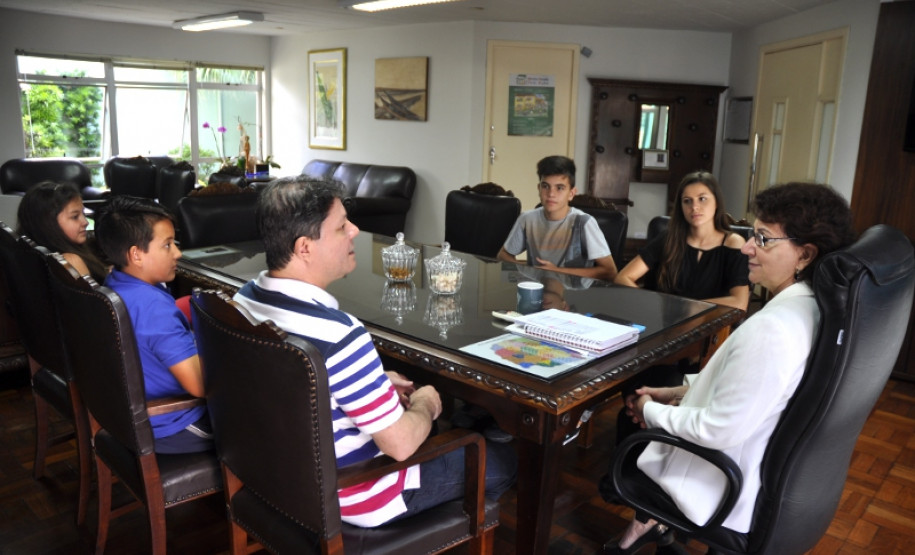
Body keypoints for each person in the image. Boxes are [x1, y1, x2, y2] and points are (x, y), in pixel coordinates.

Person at [232, 176, 517, 528]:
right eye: (340, 227)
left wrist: (375, 380)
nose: (354, 231)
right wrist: (426, 403)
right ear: (305, 247)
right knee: (502, 460)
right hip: (354, 494)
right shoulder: (339, 335)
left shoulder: (243, 300)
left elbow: (286, 382)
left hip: (274, 474)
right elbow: (399, 446)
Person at [598, 182, 856, 554]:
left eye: (764, 239)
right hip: (747, 465)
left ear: (804, 255)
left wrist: (649, 410)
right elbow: (747, 387)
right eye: (752, 234)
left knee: (631, 445)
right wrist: (677, 393)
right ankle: (646, 528)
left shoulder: (774, 329)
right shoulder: (808, 307)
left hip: (714, 483)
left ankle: (647, 524)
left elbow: (717, 430)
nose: (748, 247)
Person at [94, 196, 212, 454]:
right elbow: (201, 386)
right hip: (174, 425)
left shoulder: (114, 280)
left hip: (131, 420)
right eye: (167, 245)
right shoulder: (153, 309)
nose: (178, 253)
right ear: (136, 255)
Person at [614, 171, 750, 312]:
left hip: (709, 324)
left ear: (716, 202)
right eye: (687, 201)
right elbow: (623, 277)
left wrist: (690, 307)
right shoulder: (669, 238)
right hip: (664, 323)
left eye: (702, 199)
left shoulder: (733, 243)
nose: (694, 207)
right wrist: (650, 304)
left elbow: (740, 302)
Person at [498, 155, 618, 281]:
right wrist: (528, 271)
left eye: (559, 188)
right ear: (539, 189)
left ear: (571, 194)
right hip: (537, 291)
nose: (551, 194)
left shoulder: (584, 222)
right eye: (545, 186)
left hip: (573, 294)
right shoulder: (527, 219)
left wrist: (556, 271)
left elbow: (610, 272)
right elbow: (503, 254)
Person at [16, 181, 108, 282]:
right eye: (75, 216)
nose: (85, 222)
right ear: (48, 223)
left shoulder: (30, 258)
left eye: (83, 214)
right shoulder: (69, 262)